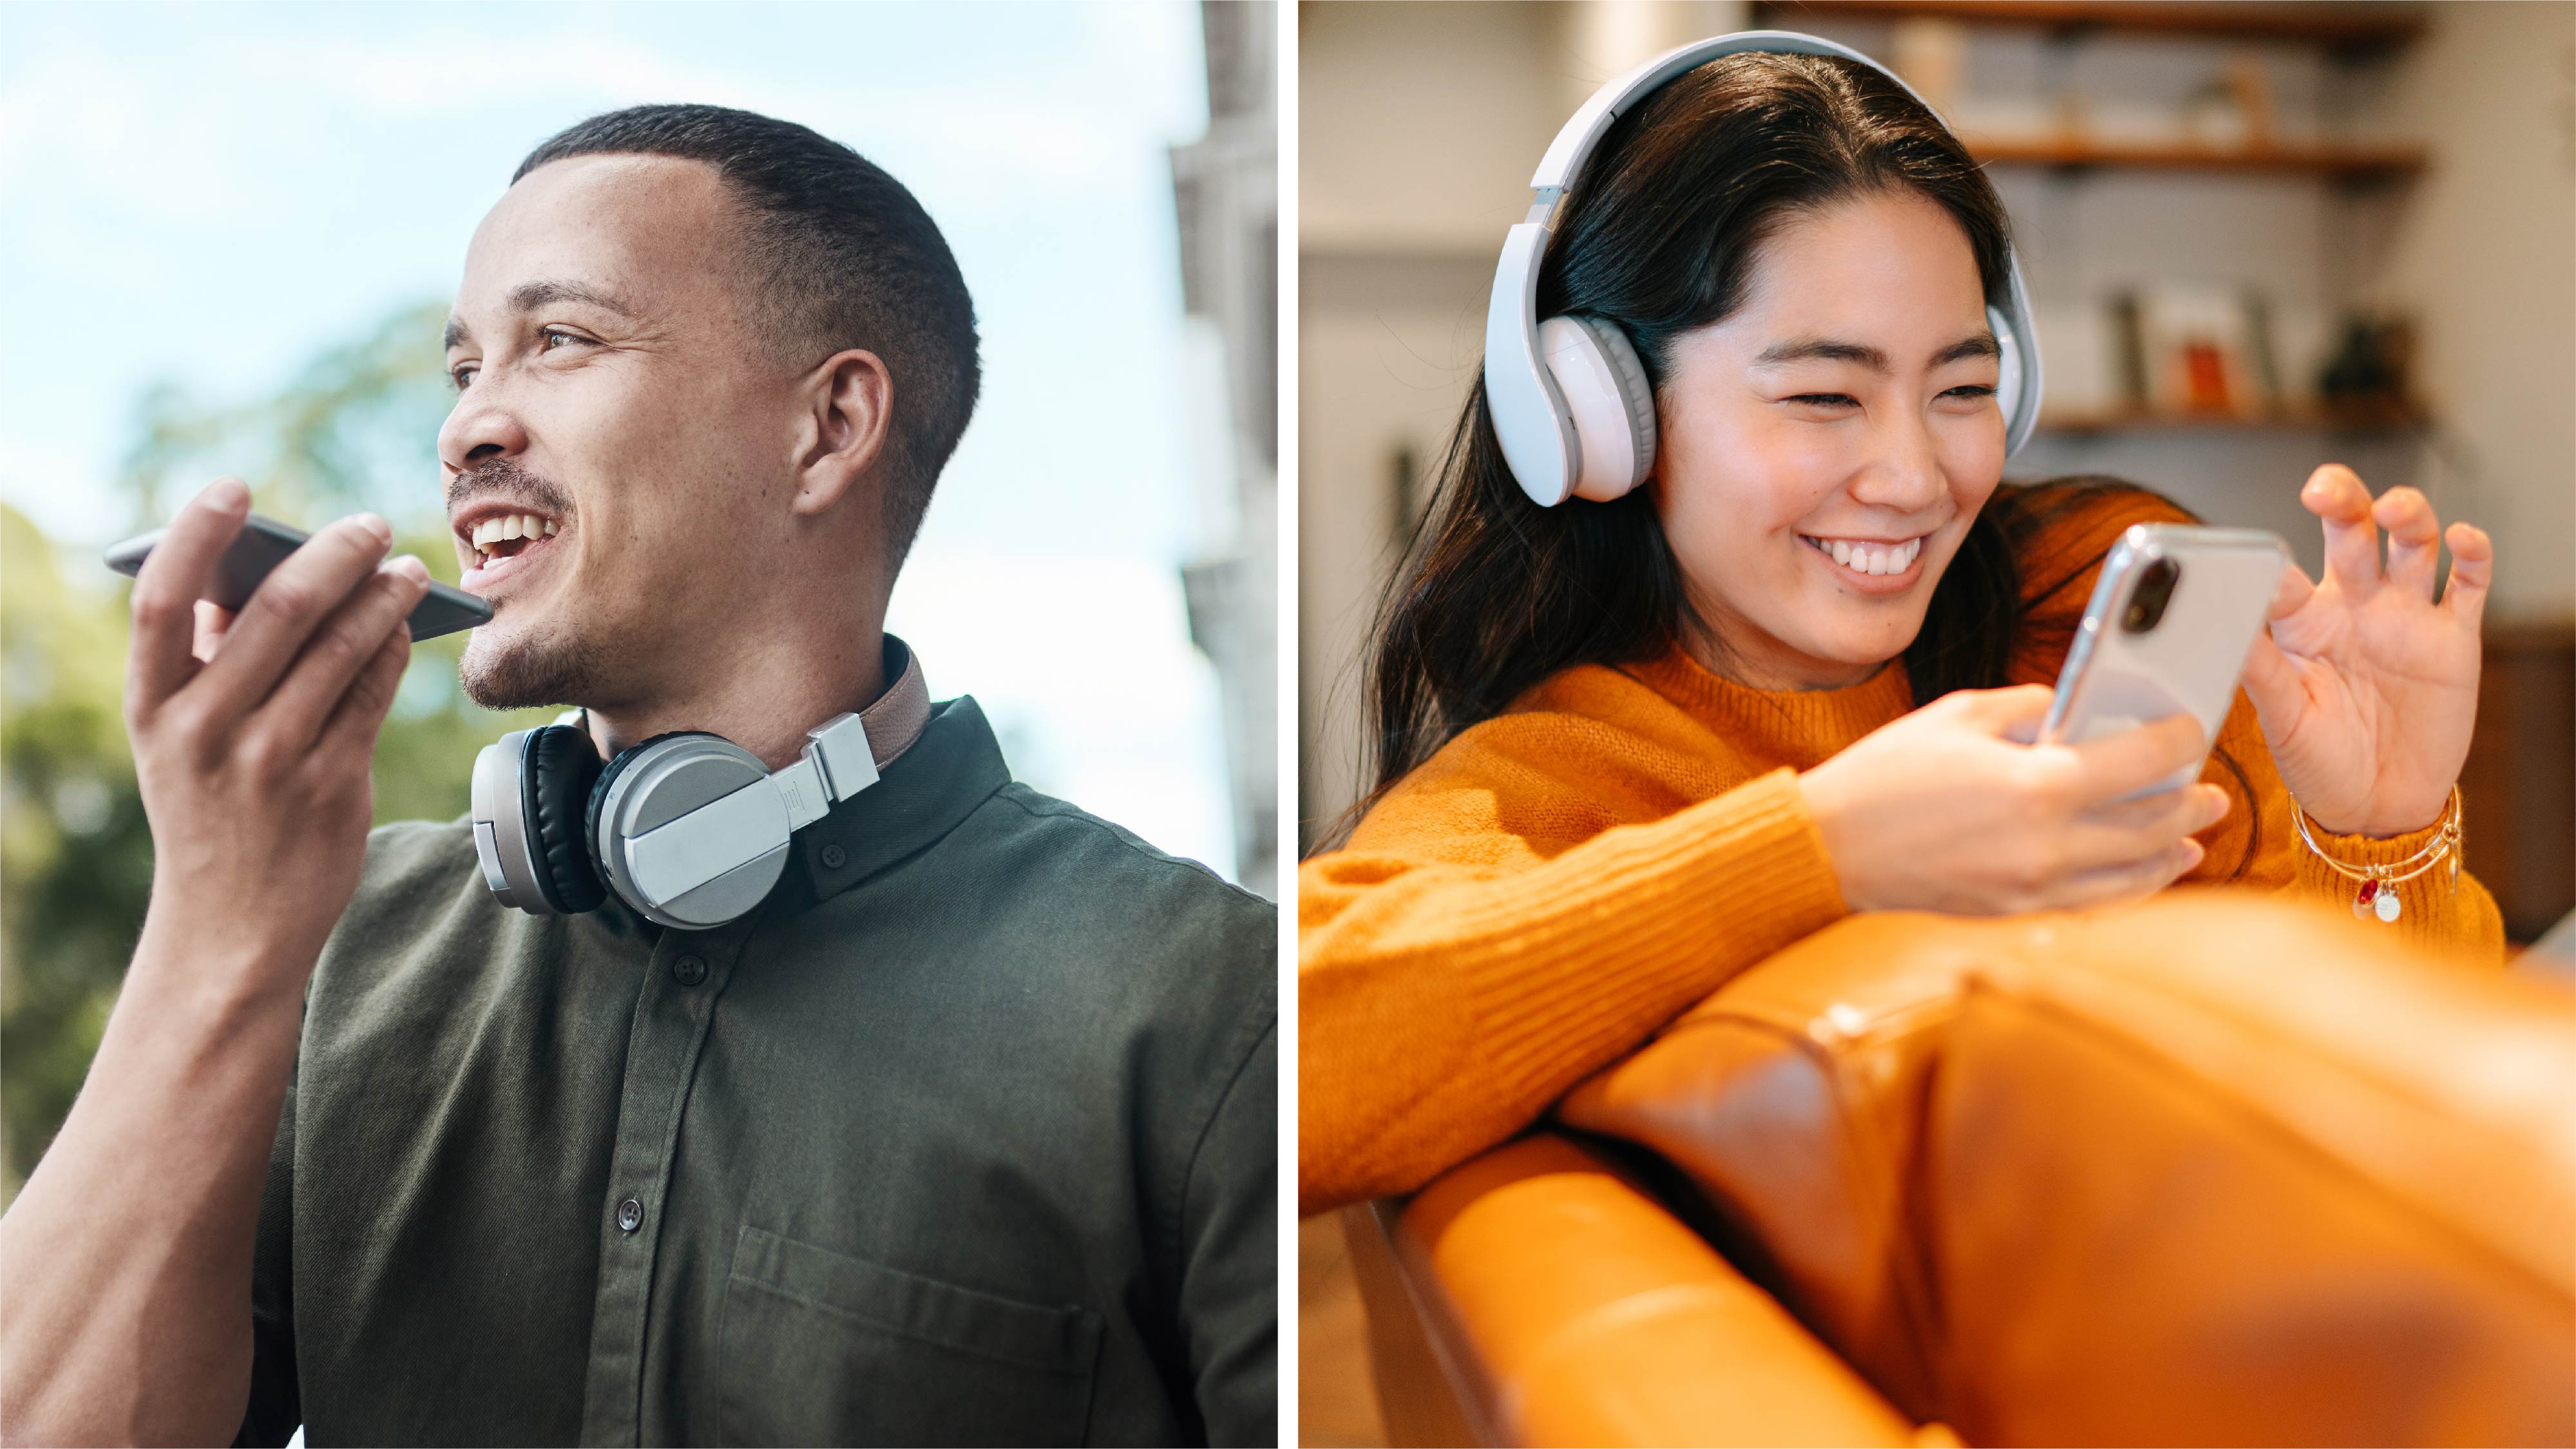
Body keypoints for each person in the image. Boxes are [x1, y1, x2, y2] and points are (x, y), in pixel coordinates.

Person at [1, 105, 1276, 1447]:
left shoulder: (1206, 1010)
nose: (468, 429)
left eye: (559, 341)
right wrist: (215, 936)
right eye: (463, 369)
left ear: (830, 426)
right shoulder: (336, 943)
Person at [1298, 46, 2499, 1217]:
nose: (1916, 476)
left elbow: (2413, 1127)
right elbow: (1297, 1066)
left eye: (1962, 388)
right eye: (1825, 395)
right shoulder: (1561, 775)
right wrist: (1822, 851)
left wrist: (2379, 835)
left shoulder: (2083, 596)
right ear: (1598, 413)